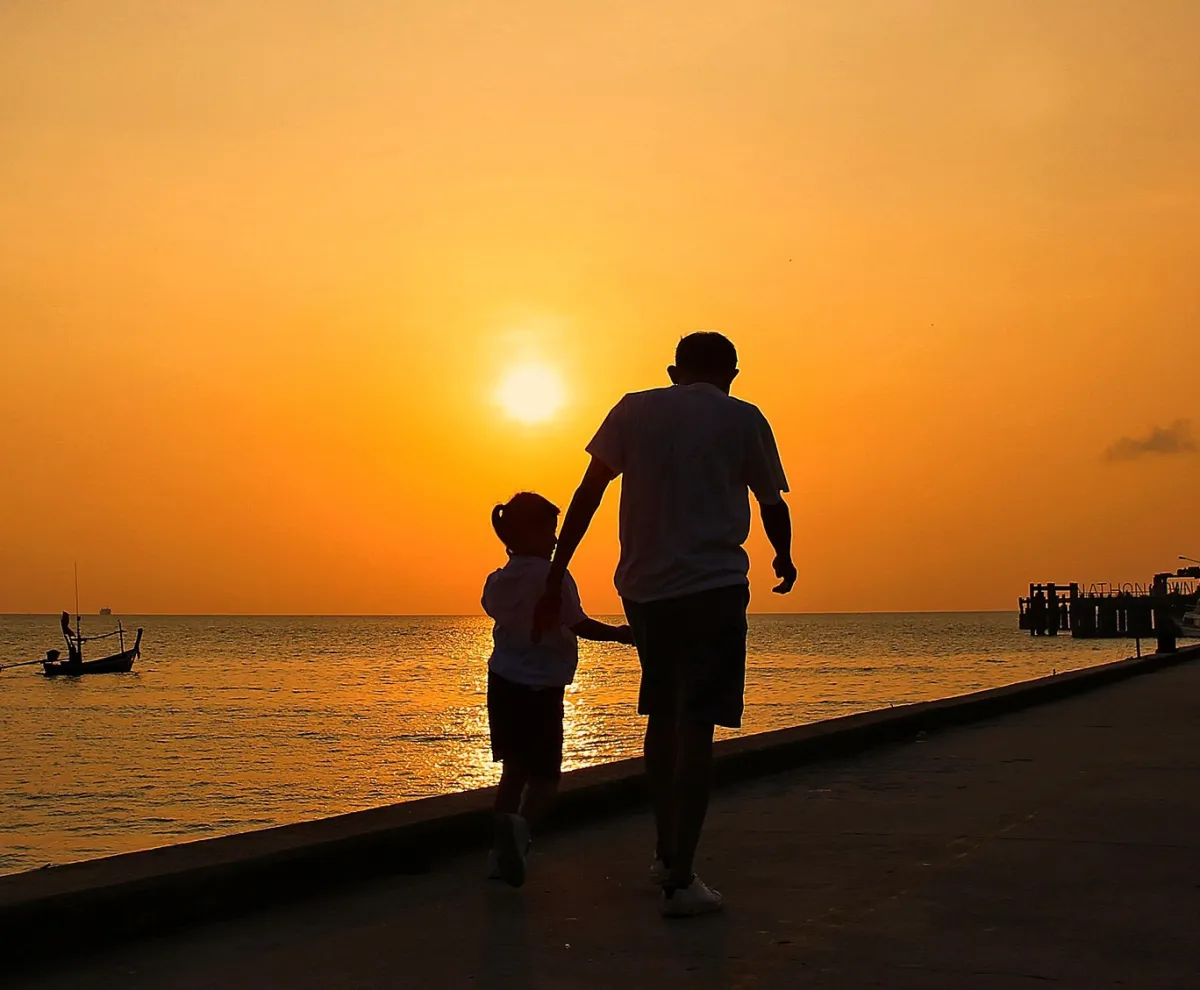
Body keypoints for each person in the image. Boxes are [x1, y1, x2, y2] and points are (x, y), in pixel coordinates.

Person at [533, 331, 795, 917]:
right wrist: (783, 555)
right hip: (714, 587)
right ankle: (681, 877)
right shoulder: (744, 417)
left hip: (644, 590)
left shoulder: (633, 409)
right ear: (732, 372)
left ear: (675, 371)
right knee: (696, 725)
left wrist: (557, 569)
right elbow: (771, 502)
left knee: (662, 713)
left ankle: (662, 852)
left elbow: (589, 491)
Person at [482, 491, 635, 888]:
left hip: (503, 683)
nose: (555, 541)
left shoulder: (497, 581)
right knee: (546, 780)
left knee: (513, 772)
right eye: (549, 531)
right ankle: (521, 833)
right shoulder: (554, 577)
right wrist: (622, 635)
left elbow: (497, 610)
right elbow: (578, 624)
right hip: (541, 689)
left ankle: (499, 854)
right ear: (527, 533)